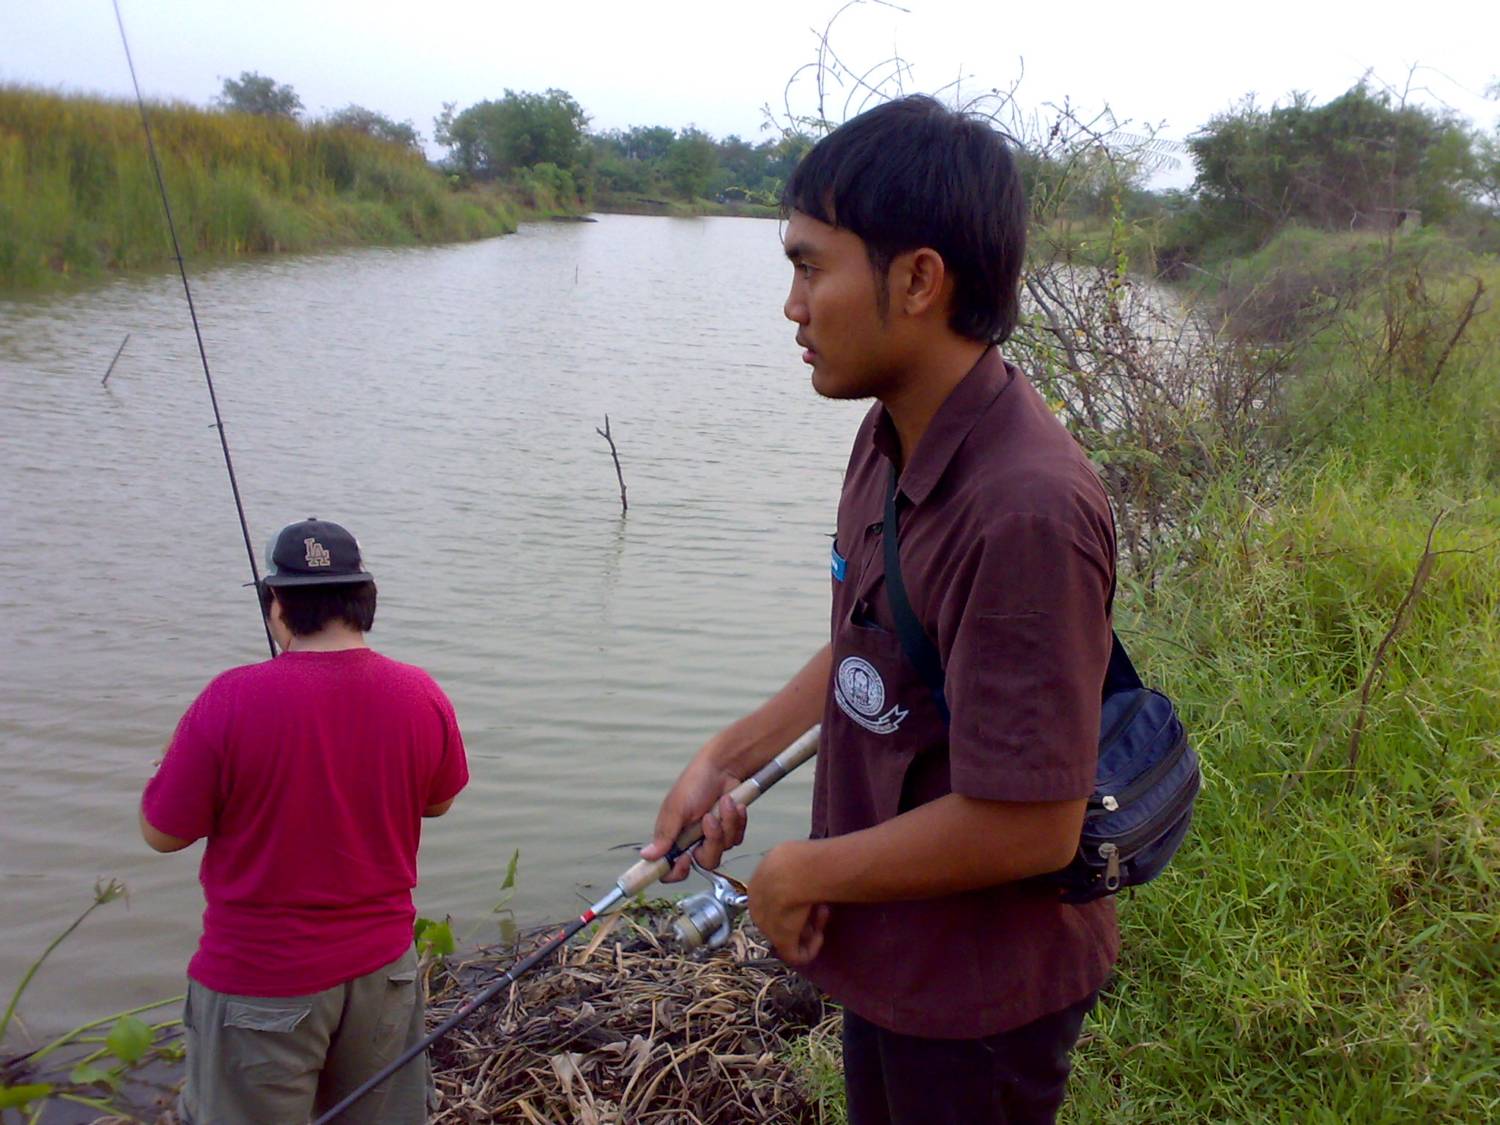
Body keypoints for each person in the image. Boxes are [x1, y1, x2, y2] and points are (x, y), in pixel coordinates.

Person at [643, 96, 1118, 1125]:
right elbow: (873, 644)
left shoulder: (1025, 508)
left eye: (812, 267)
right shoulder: (892, 434)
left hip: (979, 997)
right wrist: (728, 757)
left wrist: (804, 868)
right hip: (894, 956)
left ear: (917, 280)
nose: (793, 306)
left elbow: (1033, 823)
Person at [140, 518, 469, 1124]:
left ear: (277, 605)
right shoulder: (421, 693)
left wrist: (176, 752)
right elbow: (439, 801)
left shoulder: (229, 699)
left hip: (261, 982)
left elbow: (163, 833)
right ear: (365, 601)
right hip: (383, 975)